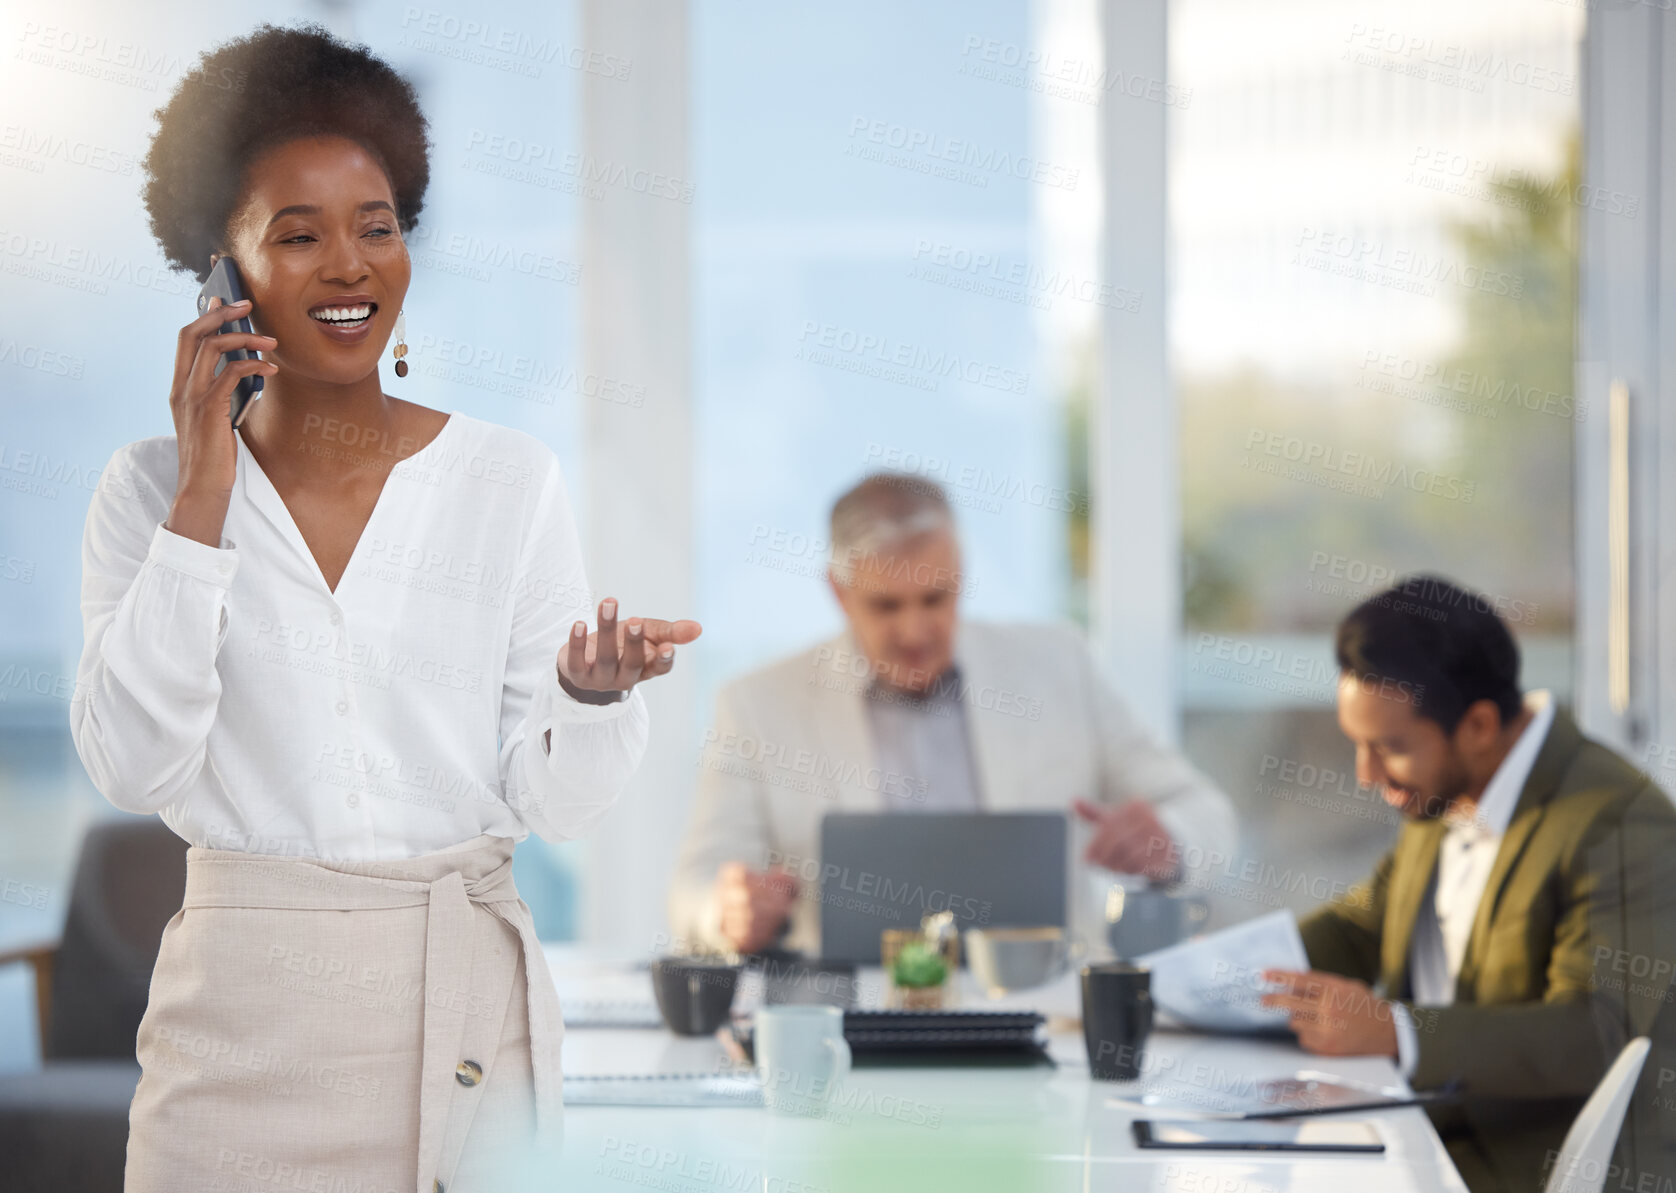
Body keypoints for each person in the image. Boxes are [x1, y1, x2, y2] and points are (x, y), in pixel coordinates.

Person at [69, 25, 699, 1191]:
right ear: (224, 267)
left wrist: (586, 693)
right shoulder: (148, 493)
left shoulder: (507, 480)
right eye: (296, 235)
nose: (351, 265)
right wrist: (206, 492)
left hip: (459, 1016)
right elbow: (137, 768)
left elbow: (553, 801)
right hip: (235, 1037)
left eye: (377, 226)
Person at [668, 472, 1237, 956]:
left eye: (935, 599)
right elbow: (695, 885)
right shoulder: (757, 705)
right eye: (886, 606)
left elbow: (1208, 813)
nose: (915, 631)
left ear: (960, 577)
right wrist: (728, 912)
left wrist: (1171, 841)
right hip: (850, 1020)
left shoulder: (1060, 665)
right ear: (839, 593)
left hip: (1048, 1009)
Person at [1261, 576, 1676, 1193]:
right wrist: (1214, 979)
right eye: (1359, 746)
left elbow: (1597, 1030)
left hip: (1526, 1166)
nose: (1367, 773)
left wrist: (1397, 1031)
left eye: (1390, 747)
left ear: (1479, 726)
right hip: (1420, 1139)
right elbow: (1363, 925)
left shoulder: (1617, 821)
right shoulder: (1444, 789)